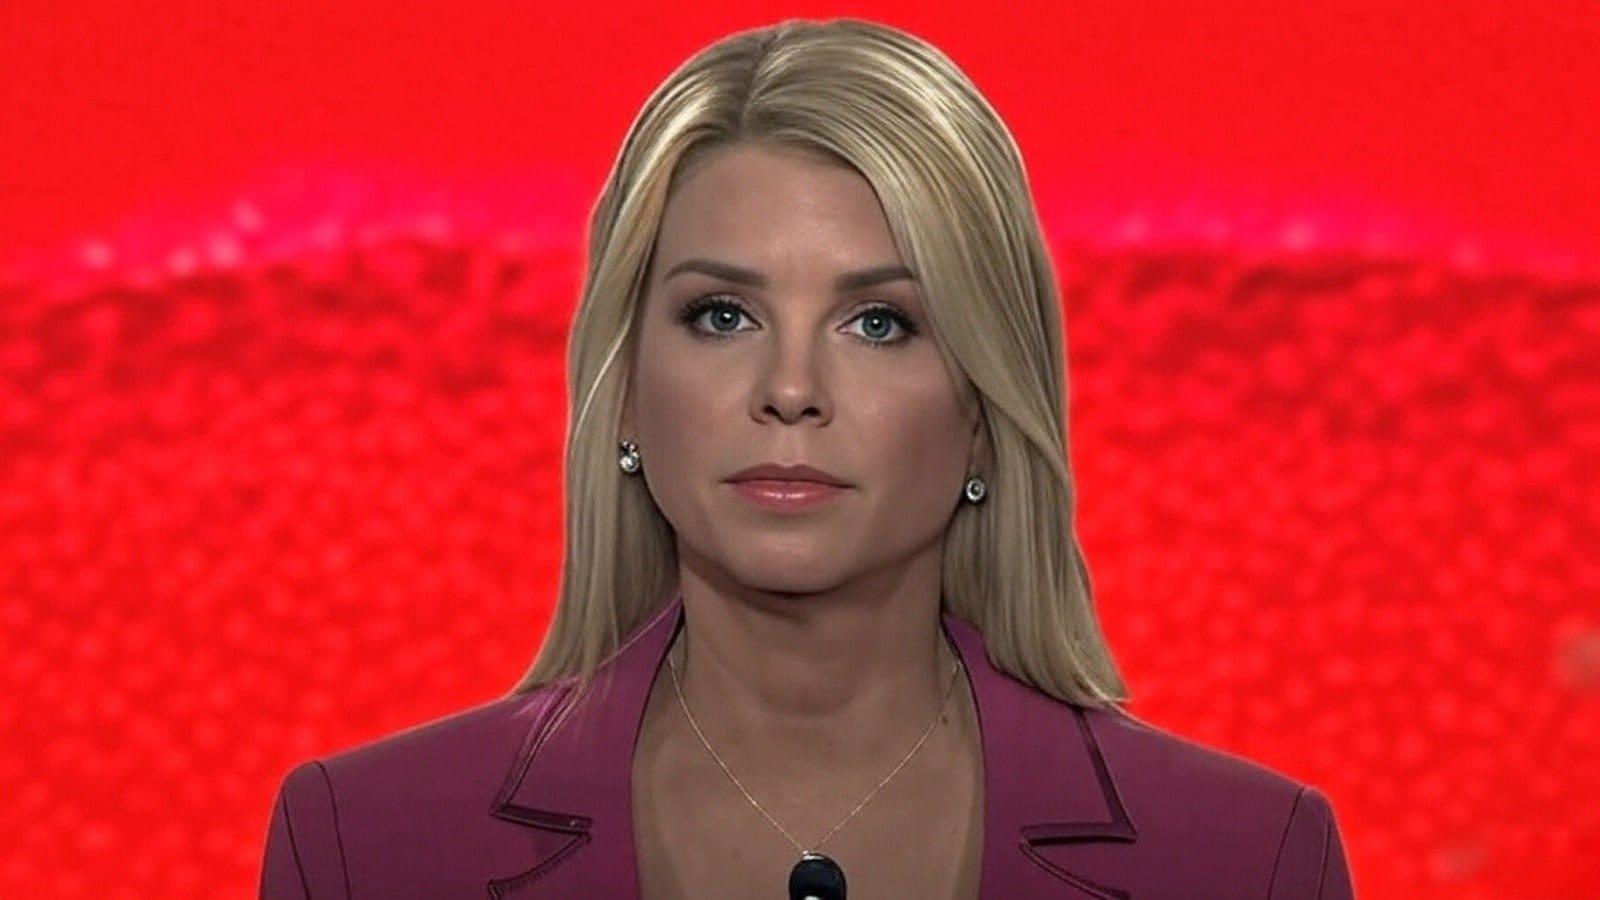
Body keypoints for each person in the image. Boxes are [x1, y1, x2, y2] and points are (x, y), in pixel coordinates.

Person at [259, 17, 1355, 900]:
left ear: (984, 408)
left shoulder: (1246, 861)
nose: (790, 389)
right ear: (626, 390)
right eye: (722, 315)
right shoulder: (367, 848)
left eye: (878, 323)